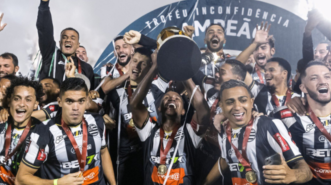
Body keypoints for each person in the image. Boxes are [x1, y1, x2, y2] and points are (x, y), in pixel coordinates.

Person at [204, 80, 312, 185]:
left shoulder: (269, 126)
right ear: (221, 106)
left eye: (243, 100)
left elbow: (305, 170)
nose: (237, 107)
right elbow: (226, 159)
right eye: (229, 102)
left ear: (251, 102)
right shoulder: (223, 130)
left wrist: (293, 175)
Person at [129, 48, 211, 185]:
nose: (172, 99)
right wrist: (154, 67)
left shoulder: (190, 133)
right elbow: (135, 104)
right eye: (166, 98)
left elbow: (204, 110)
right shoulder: (149, 131)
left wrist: (183, 70)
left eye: (177, 99)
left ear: (184, 111)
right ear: (159, 108)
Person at [274, 61, 331, 184]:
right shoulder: (285, 116)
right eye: (314, 78)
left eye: (327, 76)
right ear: (303, 88)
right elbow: (257, 123)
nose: (322, 81)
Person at [16, 78, 116, 185]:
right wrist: (57, 183)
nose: (76, 108)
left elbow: (103, 152)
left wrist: (113, 183)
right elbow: (20, 179)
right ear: (60, 102)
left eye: (81, 101)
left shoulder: (97, 121)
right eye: (70, 101)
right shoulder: (44, 132)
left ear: (87, 101)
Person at [105, 47, 168, 185]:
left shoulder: (156, 90)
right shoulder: (116, 93)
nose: (137, 66)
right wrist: (103, 116)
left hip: (147, 152)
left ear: (150, 67)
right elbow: (97, 109)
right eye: (134, 61)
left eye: (143, 63)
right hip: (123, 156)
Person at [0, 77, 44, 185]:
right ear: (9, 100)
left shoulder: (44, 132)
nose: (21, 104)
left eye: (28, 99)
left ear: (36, 104)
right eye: (17, 98)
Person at [36, 0, 95, 88]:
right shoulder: (51, 55)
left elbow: (89, 91)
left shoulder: (86, 68)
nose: (68, 40)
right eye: (65, 37)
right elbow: (44, 29)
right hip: (48, 104)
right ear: (59, 43)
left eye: (73, 38)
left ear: (78, 45)